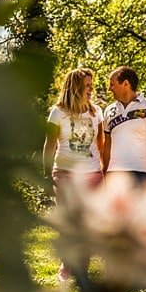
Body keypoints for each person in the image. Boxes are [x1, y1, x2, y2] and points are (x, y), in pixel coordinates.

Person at [42, 67, 105, 201]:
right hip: (65, 175)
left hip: (93, 175)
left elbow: (101, 145)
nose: (91, 89)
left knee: (94, 220)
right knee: (70, 219)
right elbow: (49, 146)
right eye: (87, 85)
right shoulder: (57, 112)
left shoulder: (97, 112)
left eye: (91, 85)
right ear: (75, 88)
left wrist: (105, 173)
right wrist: (47, 176)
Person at [102, 66, 146, 190]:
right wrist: (104, 174)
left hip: (142, 175)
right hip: (114, 175)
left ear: (125, 83)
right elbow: (107, 144)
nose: (109, 89)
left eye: (112, 84)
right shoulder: (109, 111)